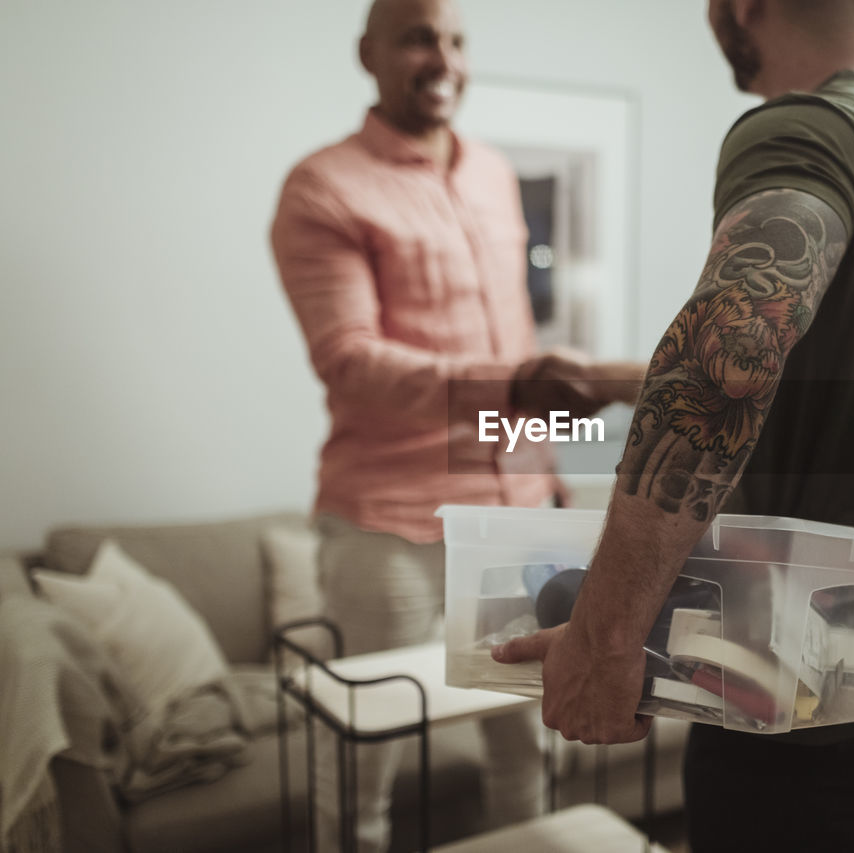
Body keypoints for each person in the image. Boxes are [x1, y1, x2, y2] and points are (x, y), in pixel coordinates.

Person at [493, 0, 854, 850]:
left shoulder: (799, 131)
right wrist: (608, 380)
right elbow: (806, 369)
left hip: (794, 682)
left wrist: (606, 636)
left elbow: (730, 354)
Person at [270, 0, 642, 849]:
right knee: (362, 759)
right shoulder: (323, 186)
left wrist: (546, 470)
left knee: (527, 744)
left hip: (514, 513)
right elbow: (350, 361)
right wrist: (519, 384)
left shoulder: (493, 173)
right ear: (368, 54)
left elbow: (511, 332)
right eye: (417, 37)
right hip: (389, 526)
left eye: (457, 40)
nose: (443, 58)